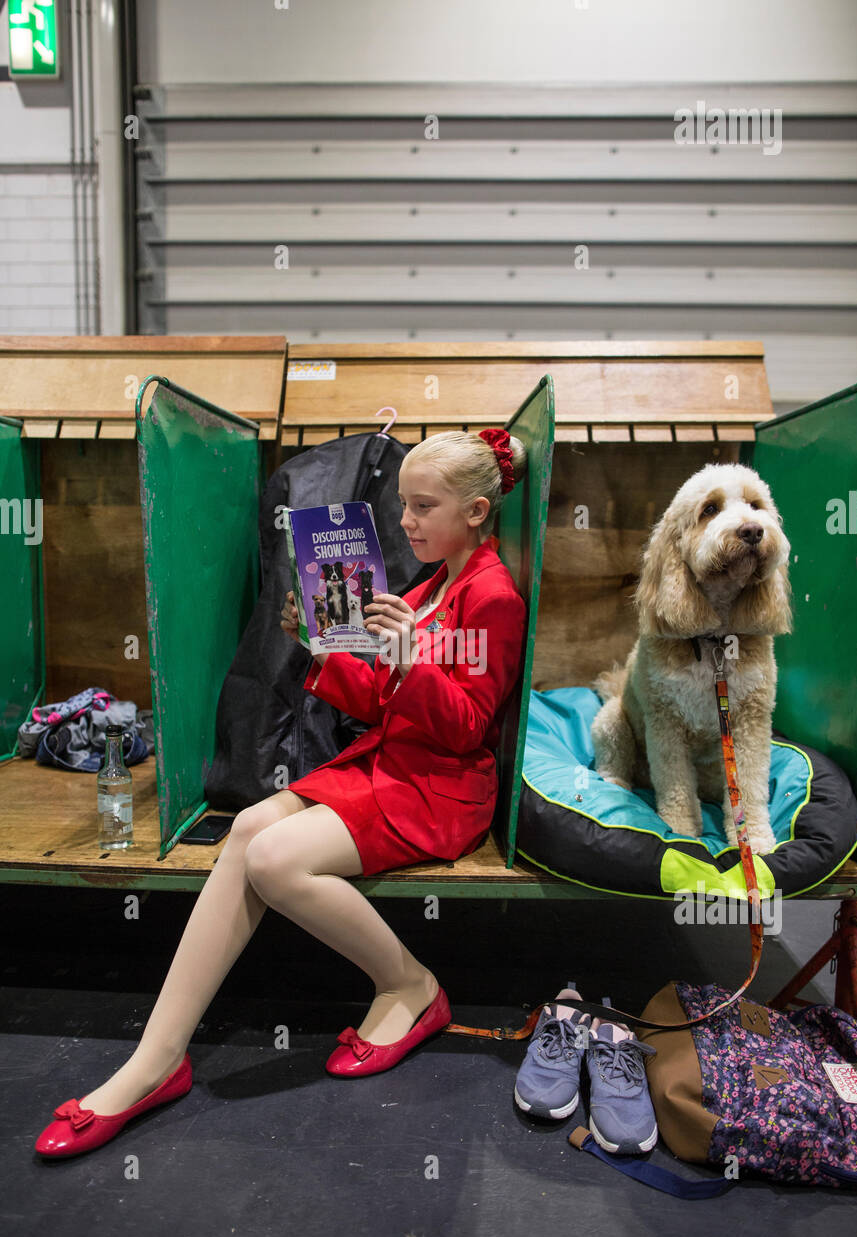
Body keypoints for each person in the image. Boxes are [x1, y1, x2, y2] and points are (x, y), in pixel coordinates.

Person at [34, 428, 529, 1157]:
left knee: (274, 860)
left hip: (442, 788)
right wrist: (325, 642)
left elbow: (463, 730)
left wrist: (406, 661)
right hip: (388, 763)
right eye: (403, 505)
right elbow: (377, 701)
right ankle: (157, 1058)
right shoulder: (431, 585)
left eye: (423, 507)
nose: (405, 522)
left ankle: (412, 986)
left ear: (478, 510)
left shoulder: (492, 597)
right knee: (246, 831)